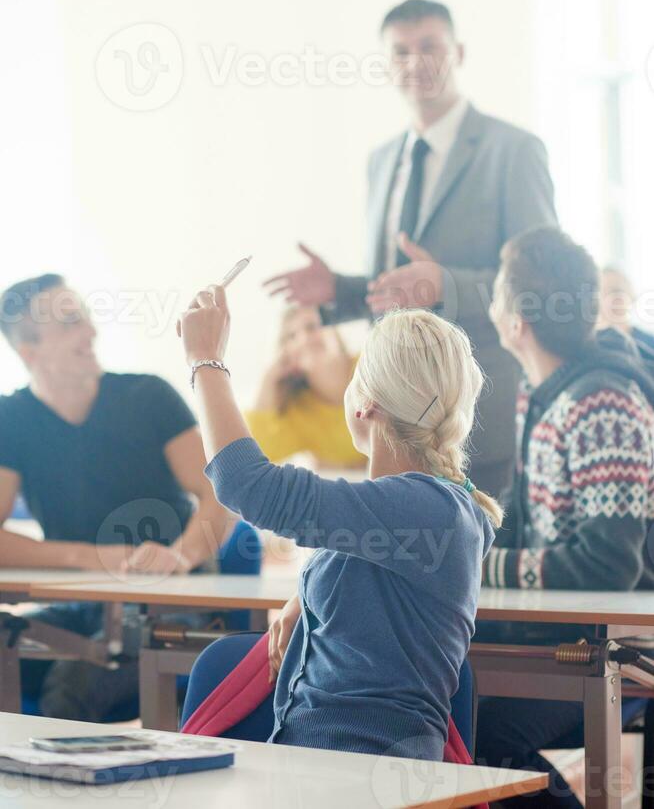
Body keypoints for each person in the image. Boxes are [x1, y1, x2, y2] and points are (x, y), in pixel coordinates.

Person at [179, 283, 501, 759]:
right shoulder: (432, 507)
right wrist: (306, 600)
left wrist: (205, 361)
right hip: (317, 766)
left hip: (355, 775)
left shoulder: (426, 508)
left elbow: (247, 484)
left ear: (365, 403)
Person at [265, 0, 558, 500]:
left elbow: (541, 284)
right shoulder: (382, 161)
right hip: (392, 421)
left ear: (459, 52)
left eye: (429, 46)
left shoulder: (513, 151)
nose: (415, 62)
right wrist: (342, 290)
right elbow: (400, 289)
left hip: (477, 418)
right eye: (400, 52)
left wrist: (447, 285)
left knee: (476, 569)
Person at [0, 273, 238, 719]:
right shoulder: (10, 419)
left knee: (73, 684)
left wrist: (180, 557)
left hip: (167, 606)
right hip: (81, 606)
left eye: (86, 318)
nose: (91, 332)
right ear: (28, 351)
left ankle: (67, 786)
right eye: (70, 323)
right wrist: (92, 557)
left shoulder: (148, 396)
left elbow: (221, 496)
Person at [475, 227, 654, 808]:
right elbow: (520, 522)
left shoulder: (602, 402)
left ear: (516, 322)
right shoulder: (543, 394)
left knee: (477, 737)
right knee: (446, 710)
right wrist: (458, 538)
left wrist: (484, 566)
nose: (492, 304)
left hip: (614, 652)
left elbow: (608, 563)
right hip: (559, 637)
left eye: (499, 293)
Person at [246, 306, 365, 468]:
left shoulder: (370, 362)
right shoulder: (299, 412)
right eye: (291, 336)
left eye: (312, 327)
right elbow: (257, 454)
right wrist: (269, 378)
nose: (305, 339)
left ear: (333, 329)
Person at [598, 264, 654, 367]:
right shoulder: (588, 348)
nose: (610, 299)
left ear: (632, 295)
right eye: (602, 293)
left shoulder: (650, 344)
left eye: (616, 291)